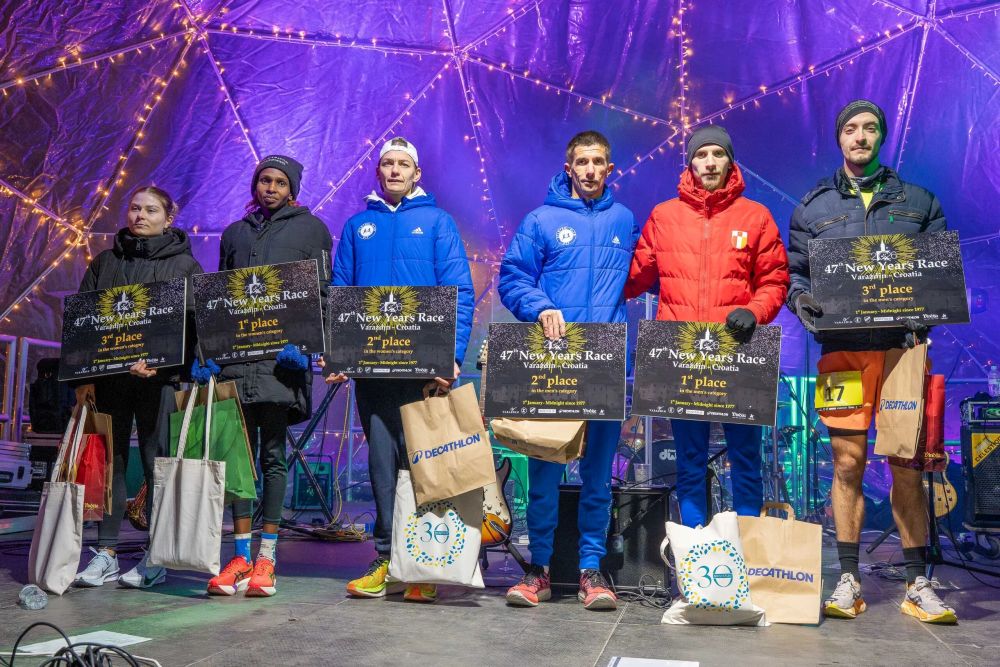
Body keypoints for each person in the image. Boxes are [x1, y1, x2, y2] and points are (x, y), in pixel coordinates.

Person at [787, 100, 956, 623]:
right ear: (839, 138)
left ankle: (917, 583)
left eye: (869, 129)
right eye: (851, 129)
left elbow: (940, 272)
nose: (860, 137)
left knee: (906, 466)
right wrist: (801, 301)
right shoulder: (812, 207)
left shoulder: (920, 202)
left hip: (902, 352)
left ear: (882, 136)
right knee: (846, 464)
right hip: (840, 352)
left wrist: (929, 310)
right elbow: (796, 274)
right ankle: (848, 580)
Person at [323, 137, 474, 604]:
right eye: (387, 163)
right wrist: (339, 355)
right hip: (372, 371)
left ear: (416, 173)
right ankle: (388, 558)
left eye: (402, 164)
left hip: (422, 372)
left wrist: (452, 356)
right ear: (379, 172)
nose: (394, 170)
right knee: (381, 465)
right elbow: (340, 294)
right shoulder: (357, 226)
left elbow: (459, 292)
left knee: (422, 465)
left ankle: (422, 561)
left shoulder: (438, 222)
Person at [498, 130, 639, 610]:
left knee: (598, 478)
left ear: (610, 168)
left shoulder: (624, 219)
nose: (591, 170)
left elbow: (650, 272)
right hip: (553, 366)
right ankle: (538, 569)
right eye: (582, 162)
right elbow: (513, 277)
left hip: (603, 367)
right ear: (569, 168)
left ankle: (591, 571)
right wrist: (540, 307)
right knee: (544, 476)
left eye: (599, 162)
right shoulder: (541, 219)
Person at [626, 125, 789, 529]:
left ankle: (747, 549)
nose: (710, 162)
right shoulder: (664, 216)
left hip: (737, 354)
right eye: (702, 155)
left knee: (746, 458)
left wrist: (755, 311)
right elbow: (631, 278)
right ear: (690, 163)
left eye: (718, 154)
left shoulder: (755, 216)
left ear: (730, 162)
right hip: (681, 356)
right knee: (689, 461)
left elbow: (775, 280)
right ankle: (695, 551)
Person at [206, 155, 332, 598]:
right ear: (255, 185)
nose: (271, 188)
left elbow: (321, 293)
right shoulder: (234, 234)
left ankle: (267, 557)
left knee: (273, 457)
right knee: (237, 460)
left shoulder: (312, 230)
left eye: (279, 182)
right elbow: (221, 298)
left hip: (281, 367)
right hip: (237, 366)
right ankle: (240, 555)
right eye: (264, 180)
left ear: (291, 188)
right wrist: (212, 353)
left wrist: (308, 346)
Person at [72, 186, 203, 589]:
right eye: (134, 208)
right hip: (111, 379)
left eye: (150, 210)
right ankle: (106, 552)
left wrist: (166, 363)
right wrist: (85, 376)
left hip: (158, 381)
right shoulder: (105, 262)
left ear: (168, 218)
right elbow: (84, 321)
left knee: (155, 463)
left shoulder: (185, 266)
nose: (140, 216)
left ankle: (156, 555)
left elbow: (194, 326)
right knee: (109, 464)